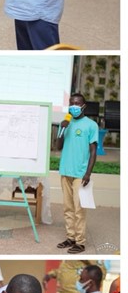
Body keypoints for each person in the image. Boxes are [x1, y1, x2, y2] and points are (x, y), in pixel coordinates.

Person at [56, 93, 98, 254]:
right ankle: (70, 237)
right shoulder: (66, 123)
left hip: (80, 173)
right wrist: (62, 128)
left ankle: (80, 242)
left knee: (79, 209)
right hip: (65, 171)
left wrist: (88, 173)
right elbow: (58, 146)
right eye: (71, 103)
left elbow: (93, 151)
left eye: (77, 103)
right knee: (67, 207)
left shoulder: (91, 125)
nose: (73, 106)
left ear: (83, 105)